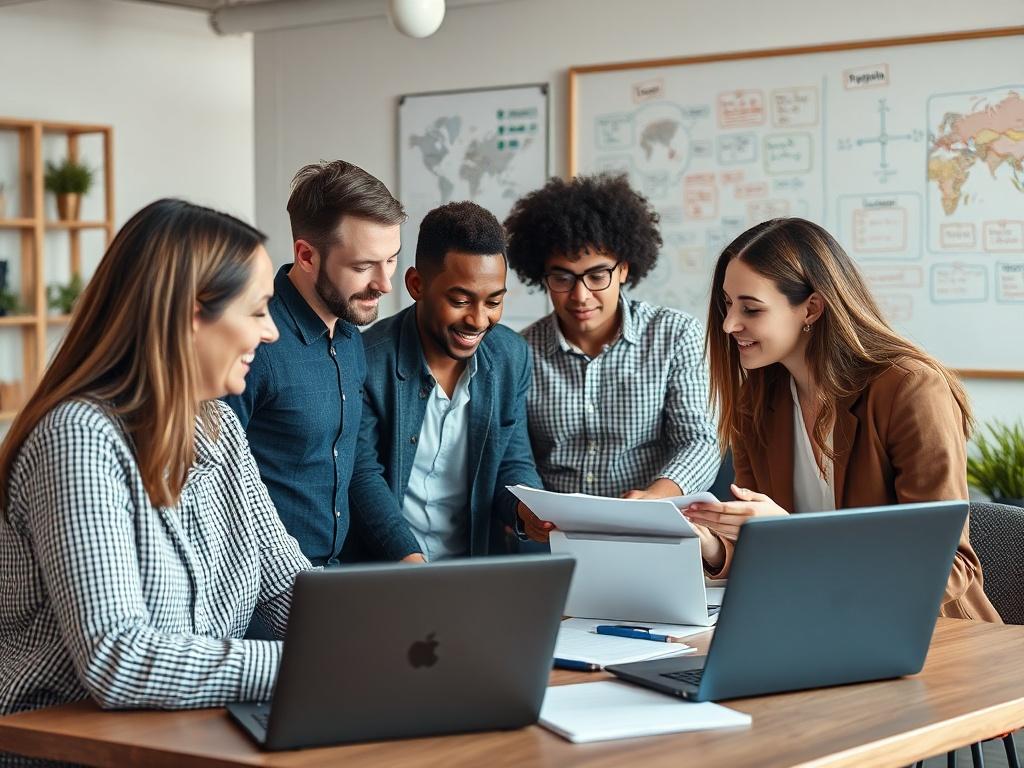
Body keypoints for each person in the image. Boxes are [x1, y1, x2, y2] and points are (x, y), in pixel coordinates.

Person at [0, 199, 312, 716]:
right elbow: (118, 658)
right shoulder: (79, 438)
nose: (271, 331)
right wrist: (312, 664)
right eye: (258, 310)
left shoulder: (217, 427)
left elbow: (286, 588)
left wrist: (384, 642)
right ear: (190, 314)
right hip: (67, 743)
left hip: (185, 730)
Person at [685, 217, 1000, 622]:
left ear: (811, 308)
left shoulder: (910, 389)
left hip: (928, 633)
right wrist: (712, 546)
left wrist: (796, 538)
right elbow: (762, 550)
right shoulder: (757, 405)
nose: (729, 323)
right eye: (727, 304)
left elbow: (947, 567)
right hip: (816, 622)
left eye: (751, 308)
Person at [223, 160, 420, 566]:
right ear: (307, 255)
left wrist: (408, 556)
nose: (385, 284)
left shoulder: (350, 337)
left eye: (391, 259)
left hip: (332, 579)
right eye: (363, 266)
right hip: (262, 588)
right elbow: (215, 486)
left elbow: (356, 463)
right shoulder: (252, 344)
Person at [504, 174, 719, 542]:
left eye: (597, 275)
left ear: (623, 269)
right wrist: (528, 512)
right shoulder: (520, 352)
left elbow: (698, 441)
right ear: (542, 276)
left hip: (651, 534)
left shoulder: (674, 334)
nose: (580, 296)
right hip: (559, 540)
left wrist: (656, 497)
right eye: (563, 278)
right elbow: (514, 456)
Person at [345, 201, 542, 561]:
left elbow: (513, 462)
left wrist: (528, 509)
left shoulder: (512, 357)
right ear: (416, 284)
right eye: (461, 300)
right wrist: (408, 559)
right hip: (391, 568)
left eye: (493, 302)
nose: (478, 320)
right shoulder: (367, 359)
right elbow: (362, 475)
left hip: (476, 571)